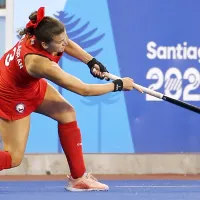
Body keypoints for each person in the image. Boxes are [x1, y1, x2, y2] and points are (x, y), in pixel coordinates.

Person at [0, 7, 141, 191]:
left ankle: (78, 178)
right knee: (14, 158)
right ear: (44, 45)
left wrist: (91, 61)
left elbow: (66, 42)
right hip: (10, 95)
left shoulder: (43, 30)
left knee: (67, 113)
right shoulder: (40, 64)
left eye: (64, 37)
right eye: (59, 42)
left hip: (27, 85)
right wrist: (119, 85)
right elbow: (84, 90)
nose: (64, 43)